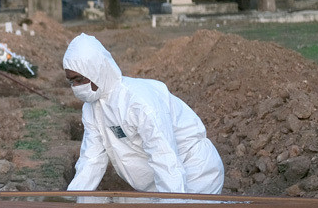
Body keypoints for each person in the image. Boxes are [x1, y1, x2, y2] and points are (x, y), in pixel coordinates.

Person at [63, 33, 224, 195]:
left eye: (79, 79)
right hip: (157, 183)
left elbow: (164, 157)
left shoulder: (138, 102)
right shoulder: (92, 109)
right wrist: (73, 200)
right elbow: (92, 159)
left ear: (95, 70)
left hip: (196, 173)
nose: (75, 87)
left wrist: (174, 204)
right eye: (71, 82)